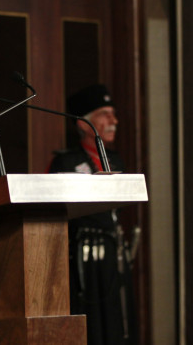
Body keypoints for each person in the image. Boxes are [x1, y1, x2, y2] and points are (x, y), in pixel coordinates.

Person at [47, 84, 139, 345]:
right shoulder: (64, 162)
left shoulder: (116, 160)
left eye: (114, 114)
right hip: (82, 257)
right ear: (84, 123)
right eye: (104, 114)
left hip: (113, 253)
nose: (113, 121)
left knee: (118, 319)